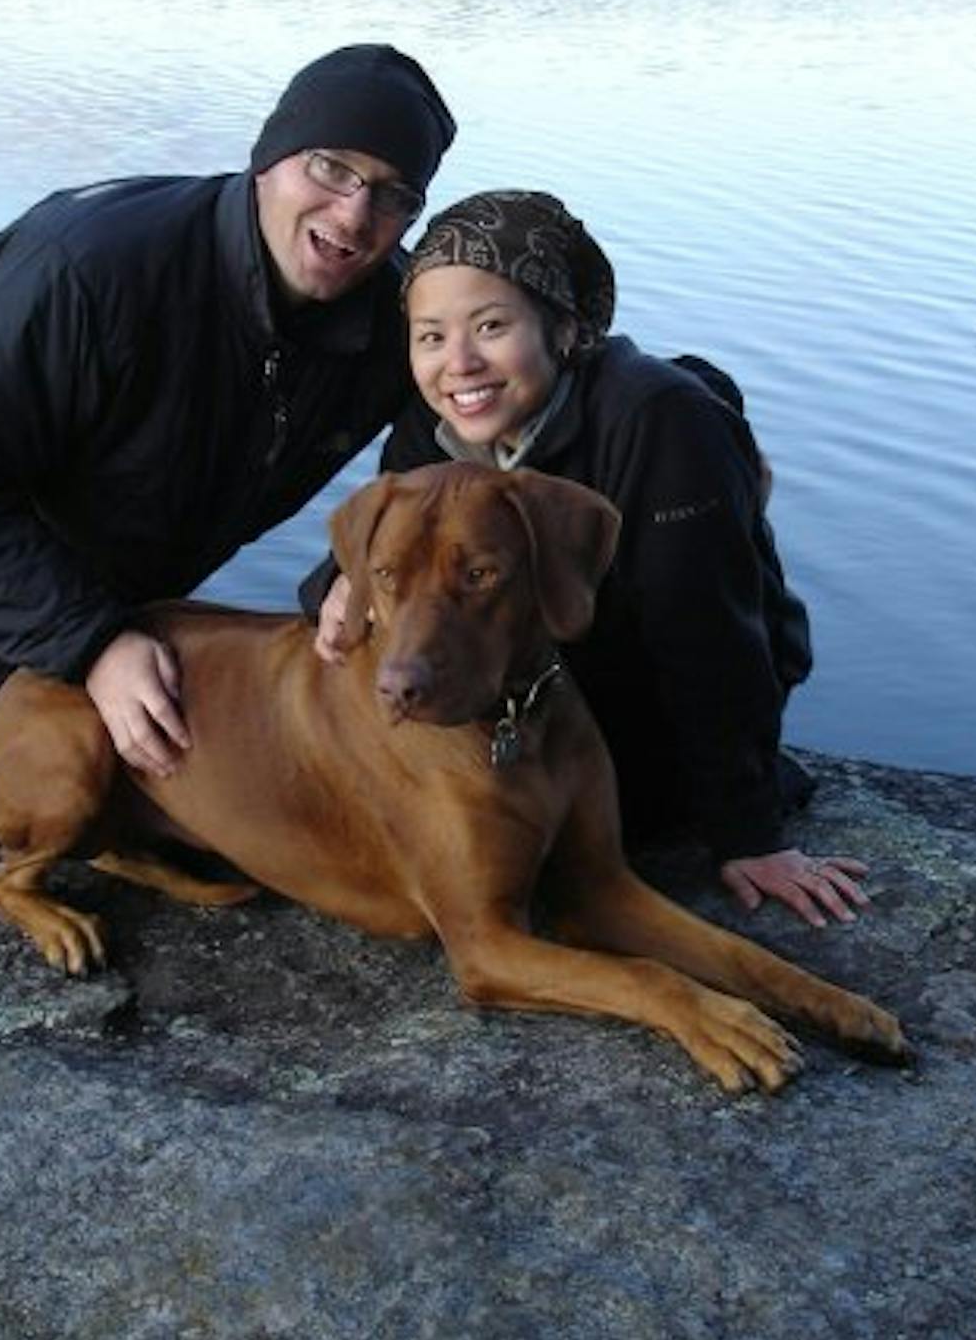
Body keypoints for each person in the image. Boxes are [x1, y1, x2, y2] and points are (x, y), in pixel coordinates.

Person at [0, 43, 456, 853]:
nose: (352, 216)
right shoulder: (94, 267)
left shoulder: (393, 315)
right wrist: (94, 644)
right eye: (331, 168)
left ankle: (47, 642)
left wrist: (349, 574)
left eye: (391, 194)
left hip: (121, 518)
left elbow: (433, 429)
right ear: (269, 158)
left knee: (171, 761)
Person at [312, 189, 870, 929]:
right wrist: (339, 581)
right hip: (542, 684)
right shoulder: (435, 421)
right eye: (430, 336)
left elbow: (711, 638)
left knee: (562, 863)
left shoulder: (661, 426)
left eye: (491, 325)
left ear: (565, 328)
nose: (460, 363)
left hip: (648, 697)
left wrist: (748, 833)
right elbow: (390, 554)